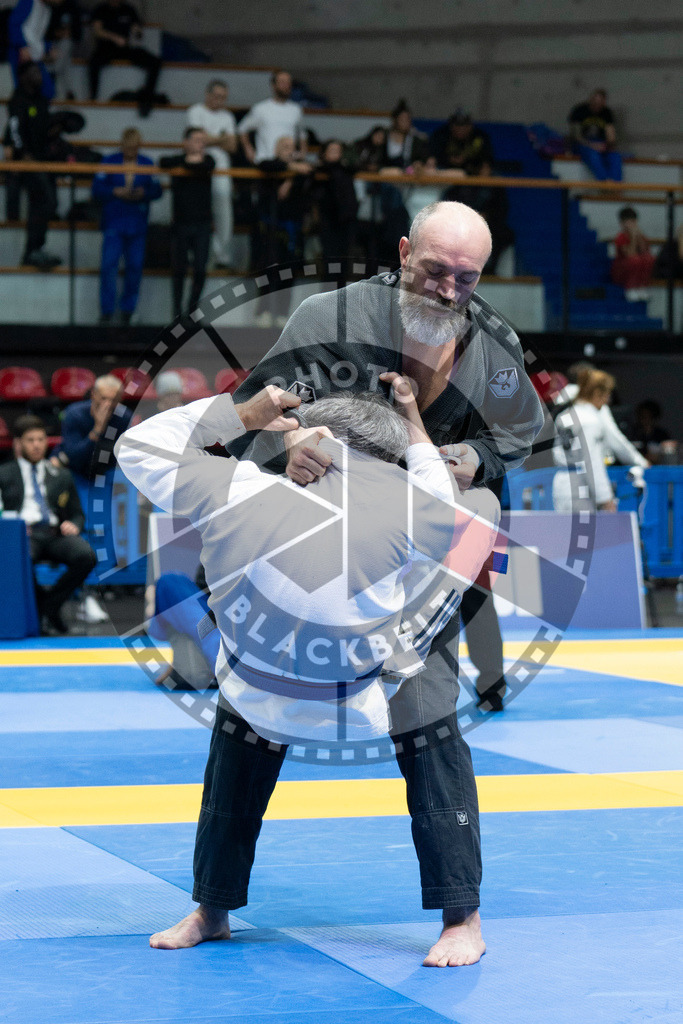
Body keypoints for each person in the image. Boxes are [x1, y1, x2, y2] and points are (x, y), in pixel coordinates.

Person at [133, 201, 544, 965]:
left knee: (426, 718)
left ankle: (461, 917)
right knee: (245, 715)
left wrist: (464, 463)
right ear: (400, 254)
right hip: (305, 540)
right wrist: (283, 447)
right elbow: (258, 410)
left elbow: (518, 431)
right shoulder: (327, 315)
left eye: (467, 277)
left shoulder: (489, 344)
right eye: (434, 271)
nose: (450, 290)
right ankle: (212, 904)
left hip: (409, 558)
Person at [116, 372, 501, 956]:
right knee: (479, 515)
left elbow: (137, 444)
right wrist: (415, 431)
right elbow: (452, 493)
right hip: (357, 697)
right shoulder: (420, 502)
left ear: (310, 436)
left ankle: (458, 915)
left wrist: (250, 415)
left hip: (254, 683)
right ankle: (214, 906)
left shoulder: (236, 485)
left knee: (253, 704)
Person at [0, 413, 97, 633]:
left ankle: (48, 607)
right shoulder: (4, 474)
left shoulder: (61, 475)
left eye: (41, 440)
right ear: (18, 443)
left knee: (87, 556)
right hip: (22, 534)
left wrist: (74, 524)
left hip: (55, 533)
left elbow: (78, 514)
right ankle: (46, 610)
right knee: (18, 559)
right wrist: (11, 527)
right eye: (30, 440)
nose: (36, 445)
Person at [92, 127, 162, 324]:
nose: (131, 151)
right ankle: (106, 311)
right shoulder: (109, 161)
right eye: (129, 148)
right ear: (123, 145)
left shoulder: (147, 163)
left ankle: (128, 310)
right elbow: (96, 188)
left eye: (135, 148)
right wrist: (115, 191)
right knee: (108, 266)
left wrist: (143, 193)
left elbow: (157, 190)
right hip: (114, 220)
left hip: (137, 222)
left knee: (134, 267)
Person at [3, 60, 60, 269]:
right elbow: (15, 130)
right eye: (34, 71)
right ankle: (33, 250)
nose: (39, 75)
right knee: (46, 201)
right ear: (23, 76)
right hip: (27, 162)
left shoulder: (42, 100)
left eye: (39, 71)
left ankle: (34, 250)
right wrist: (22, 155)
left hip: (43, 161)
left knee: (45, 203)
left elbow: (44, 130)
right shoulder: (18, 100)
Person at [159, 127, 215, 318]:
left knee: (200, 268)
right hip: (181, 223)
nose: (201, 144)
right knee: (179, 269)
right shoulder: (177, 161)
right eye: (197, 140)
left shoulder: (208, 161)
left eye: (203, 140)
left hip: (202, 224)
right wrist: (187, 161)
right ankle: (176, 310)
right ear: (186, 142)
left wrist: (188, 164)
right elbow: (162, 162)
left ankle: (192, 308)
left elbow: (205, 166)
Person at [186, 80, 238, 269]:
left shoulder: (228, 116)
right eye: (216, 96)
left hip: (222, 168)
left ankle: (222, 256)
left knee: (223, 209)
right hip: (198, 166)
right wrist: (223, 137)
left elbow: (233, 146)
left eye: (223, 97)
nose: (219, 100)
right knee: (197, 210)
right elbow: (198, 140)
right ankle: (195, 256)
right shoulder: (195, 111)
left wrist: (211, 139)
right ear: (207, 94)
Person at [552, 369, 618, 512]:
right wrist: (605, 498)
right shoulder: (590, 421)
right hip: (581, 486)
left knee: (563, 533)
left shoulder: (565, 414)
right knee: (586, 534)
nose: (607, 400)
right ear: (597, 393)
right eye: (607, 394)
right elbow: (591, 461)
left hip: (561, 483)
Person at [563, 361, 648, 471]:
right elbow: (614, 438)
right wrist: (640, 461)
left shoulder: (557, 400)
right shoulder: (592, 403)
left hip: (553, 472)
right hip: (585, 471)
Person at [88, 0, 161, 116]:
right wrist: (113, 37)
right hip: (105, 48)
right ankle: (93, 98)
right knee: (93, 63)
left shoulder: (128, 9)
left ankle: (147, 98)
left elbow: (136, 27)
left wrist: (137, 31)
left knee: (155, 62)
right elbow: (97, 30)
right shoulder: (101, 9)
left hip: (125, 48)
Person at [56, 373, 132, 478]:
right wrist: (98, 428)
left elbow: (123, 454)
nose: (108, 404)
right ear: (94, 394)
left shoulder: (124, 416)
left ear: (120, 400)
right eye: (104, 398)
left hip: (109, 472)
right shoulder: (74, 413)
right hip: (77, 470)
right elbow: (73, 456)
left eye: (113, 400)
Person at [238, 69, 305, 166]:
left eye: (288, 82)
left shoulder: (296, 110)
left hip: (289, 160)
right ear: (273, 85)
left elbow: (302, 134)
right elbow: (242, 129)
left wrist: (303, 152)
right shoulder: (260, 108)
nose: (286, 85)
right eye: (282, 82)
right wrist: (248, 148)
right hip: (266, 159)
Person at [313, 139, 358, 263]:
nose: (335, 154)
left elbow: (356, 166)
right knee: (330, 256)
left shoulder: (346, 168)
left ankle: (342, 283)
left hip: (346, 217)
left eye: (338, 151)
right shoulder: (319, 171)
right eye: (332, 150)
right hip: (328, 218)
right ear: (324, 153)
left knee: (344, 256)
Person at [7, 0, 63, 98]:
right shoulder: (29, 2)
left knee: (47, 91)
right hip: (21, 53)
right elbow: (14, 23)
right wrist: (22, 46)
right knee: (24, 91)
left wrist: (48, 48)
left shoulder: (47, 10)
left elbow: (36, 35)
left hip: (34, 55)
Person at [568, 88, 622, 182]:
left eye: (600, 103)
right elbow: (577, 136)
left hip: (601, 143)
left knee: (615, 157)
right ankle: (604, 182)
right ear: (590, 100)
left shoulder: (606, 113)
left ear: (603, 103)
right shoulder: (579, 111)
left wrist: (607, 145)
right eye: (595, 102)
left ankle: (615, 185)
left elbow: (611, 135)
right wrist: (592, 145)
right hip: (584, 143)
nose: (596, 106)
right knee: (593, 155)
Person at [429, 110, 494, 177]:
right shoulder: (441, 135)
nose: (461, 129)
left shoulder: (480, 136)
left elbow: (487, 159)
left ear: (470, 126)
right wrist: (449, 160)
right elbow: (432, 156)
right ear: (451, 126)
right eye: (457, 125)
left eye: (464, 126)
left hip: (472, 171)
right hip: (445, 171)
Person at [611, 206, 655, 301]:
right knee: (635, 260)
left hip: (637, 268)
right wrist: (634, 238)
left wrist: (638, 237)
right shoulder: (621, 237)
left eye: (633, 222)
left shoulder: (641, 236)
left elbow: (645, 252)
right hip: (622, 270)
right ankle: (630, 289)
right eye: (628, 222)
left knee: (649, 259)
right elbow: (630, 254)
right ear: (622, 224)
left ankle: (642, 287)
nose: (631, 225)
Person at [45, 0, 81, 100]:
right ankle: (69, 91)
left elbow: (78, 33)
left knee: (66, 44)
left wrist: (68, 33)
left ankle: (53, 71)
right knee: (66, 61)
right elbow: (46, 32)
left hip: (68, 45)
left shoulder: (73, 8)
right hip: (51, 44)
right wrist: (58, 33)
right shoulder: (49, 9)